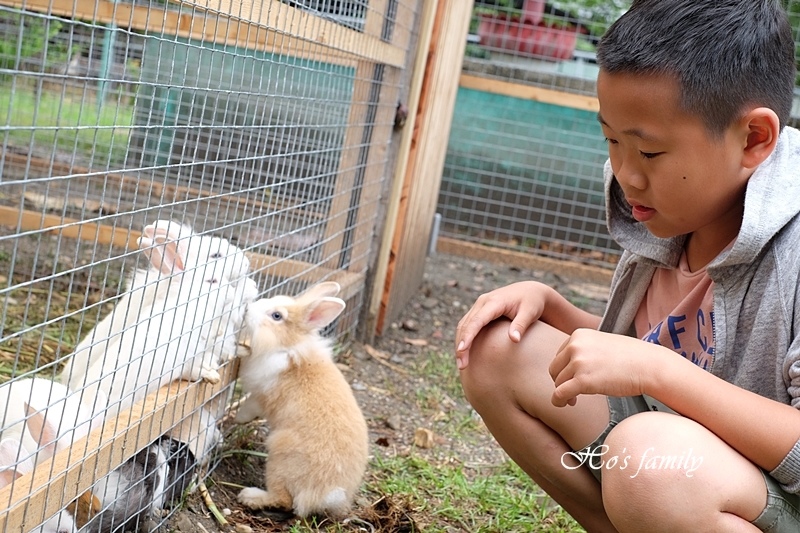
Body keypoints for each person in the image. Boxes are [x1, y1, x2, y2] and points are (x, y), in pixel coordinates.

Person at [455, 1, 800, 531]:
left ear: (754, 138)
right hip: (678, 461)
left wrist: (659, 372)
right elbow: (662, 348)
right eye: (612, 140)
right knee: (501, 346)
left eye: (650, 153)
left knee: (647, 461)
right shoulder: (668, 215)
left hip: (761, 495)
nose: (626, 174)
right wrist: (554, 307)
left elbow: (662, 368)